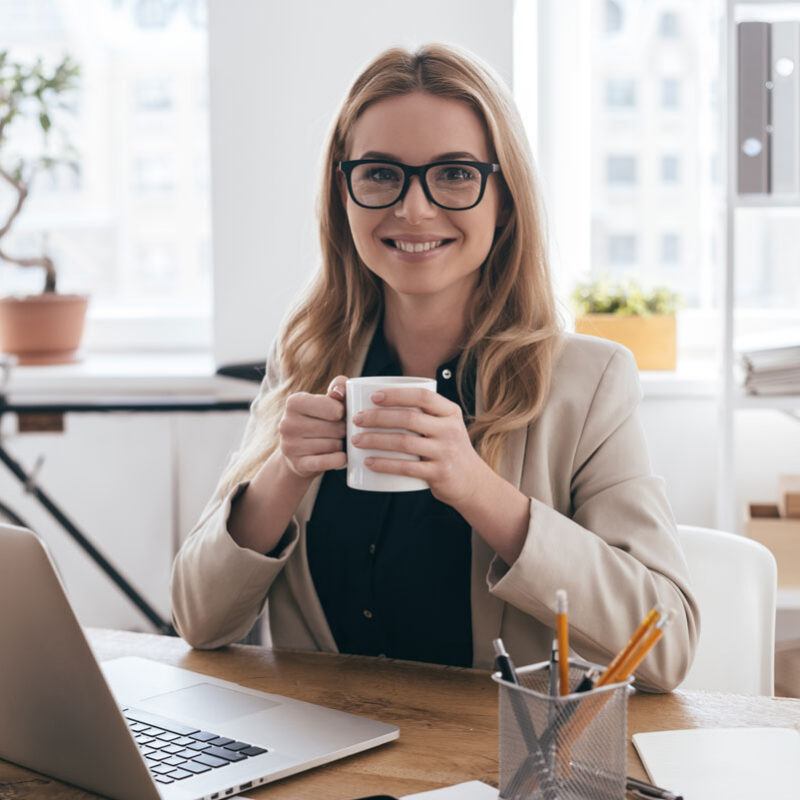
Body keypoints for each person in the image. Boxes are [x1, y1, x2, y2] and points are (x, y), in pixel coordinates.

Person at [171, 43, 699, 692]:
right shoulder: (308, 357)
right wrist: (284, 471)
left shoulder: (587, 384)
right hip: (322, 760)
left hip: (493, 771)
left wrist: (477, 488)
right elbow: (198, 620)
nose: (414, 209)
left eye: (453, 173)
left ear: (505, 196)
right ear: (344, 193)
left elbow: (667, 648)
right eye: (380, 174)